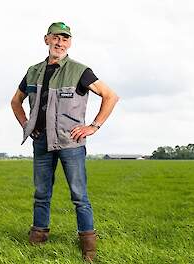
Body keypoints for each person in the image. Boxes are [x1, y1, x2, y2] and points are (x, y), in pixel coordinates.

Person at [10, 22, 119, 262]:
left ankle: (88, 247)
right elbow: (16, 101)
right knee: (41, 193)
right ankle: (38, 237)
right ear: (46, 39)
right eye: (56, 38)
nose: (60, 43)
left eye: (65, 39)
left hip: (71, 144)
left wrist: (94, 126)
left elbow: (111, 96)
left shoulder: (80, 71)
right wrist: (26, 125)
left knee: (79, 196)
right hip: (41, 142)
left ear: (69, 43)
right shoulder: (33, 71)